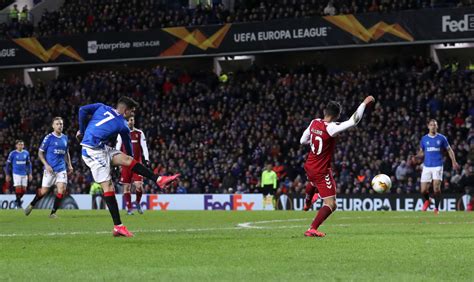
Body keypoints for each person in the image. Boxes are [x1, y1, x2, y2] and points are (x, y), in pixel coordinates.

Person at [76, 97, 179, 237]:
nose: (133, 115)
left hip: (101, 147)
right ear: (126, 111)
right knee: (109, 187)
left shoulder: (101, 106)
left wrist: (82, 131)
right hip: (92, 151)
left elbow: (82, 110)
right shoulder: (123, 125)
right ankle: (118, 227)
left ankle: (158, 179)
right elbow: (128, 147)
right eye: (132, 112)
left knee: (127, 160)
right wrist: (131, 162)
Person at [300, 96, 374, 237]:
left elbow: (302, 140)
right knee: (331, 204)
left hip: (309, 165)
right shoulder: (332, 128)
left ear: (324, 111)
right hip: (321, 170)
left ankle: (308, 202)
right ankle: (312, 228)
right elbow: (354, 121)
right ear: (337, 115)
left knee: (312, 181)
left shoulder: (314, 122)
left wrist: (315, 139)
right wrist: (364, 103)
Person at [25, 117, 73, 218]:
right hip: (50, 170)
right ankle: (32, 204)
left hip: (61, 169)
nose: (60, 126)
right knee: (44, 191)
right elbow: (40, 153)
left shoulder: (65, 138)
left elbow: (66, 152)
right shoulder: (48, 138)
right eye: (57, 124)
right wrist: (46, 165)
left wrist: (69, 164)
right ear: (53, 126)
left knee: (62, 190)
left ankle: (53, 213)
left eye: (61, 124)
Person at [415, 119, 459, 214]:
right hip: (426, 166)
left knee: (436, 189)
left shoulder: (442, 138)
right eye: (431, 125)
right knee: (423, 191)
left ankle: (436, 208)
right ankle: (428, 200)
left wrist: (454, 161)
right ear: (428, 126)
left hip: (438, 166)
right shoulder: (424, 139)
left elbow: (449, 150)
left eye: (435, 125)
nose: (433, 127)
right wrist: (416, 157)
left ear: (437, 127)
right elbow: (422, 152)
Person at [115, 116, 150, 215]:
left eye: (132, 120)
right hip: (125, 163)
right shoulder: (121, 133)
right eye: (129, 120)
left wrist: (146, 159)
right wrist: (116, 162)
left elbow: (144, 147)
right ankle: (129, 208)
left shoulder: (139, 133)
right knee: (126, 187)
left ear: (134, 121)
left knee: (139, 186)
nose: (130, 122)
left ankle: (138, 203)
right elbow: (117, 148)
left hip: (137, 163)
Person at [4, 140, 32, 209]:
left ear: (23, 145)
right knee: (18, 188)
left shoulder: (26, 153)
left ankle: (17, 200)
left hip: (24, 173)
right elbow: (8, 164)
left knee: (24, 190)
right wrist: (7, 174)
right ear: (16, 145)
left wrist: (30, 173)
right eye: (19, 144)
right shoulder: (12, 153)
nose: (21, 146)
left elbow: (29, 163)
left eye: (22, 144)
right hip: (16, 173)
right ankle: (19, 203)